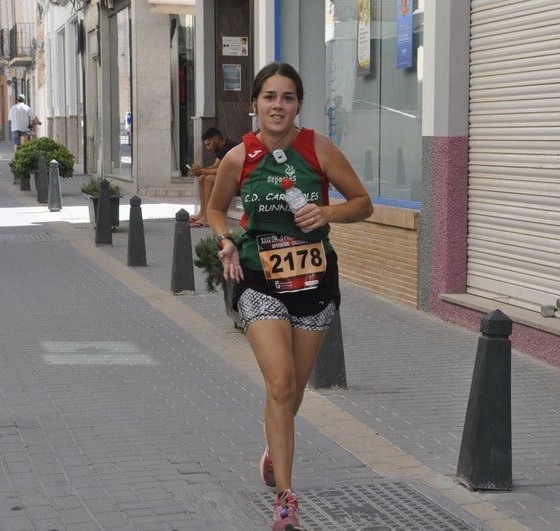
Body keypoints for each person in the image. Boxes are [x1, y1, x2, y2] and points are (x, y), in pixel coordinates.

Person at [207, 62, 373, 531]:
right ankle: (286, 500)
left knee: (295, 389)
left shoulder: (318, 148)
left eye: (288, 97)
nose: (278, 106)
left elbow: (363, 203)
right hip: (258, 276)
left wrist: (326, 213)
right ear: (254, 103)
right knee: (280, 384)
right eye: (270, 97)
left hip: (313, 281)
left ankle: (273, 447)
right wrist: (225, 241)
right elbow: (216, 209)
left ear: (298, 104)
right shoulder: (239, 156)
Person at [188, 127, 239, 228]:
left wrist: (202, 171)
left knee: (209, 179)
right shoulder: (221, 147)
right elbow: (215, 166)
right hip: (230, 178)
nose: (208, 148)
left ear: (215, 139)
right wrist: (200, 170)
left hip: (238, 181)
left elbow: (223, 170)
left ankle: (207, 217)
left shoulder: (230, 147)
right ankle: (202, 213)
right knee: (202, 177)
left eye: (209, 144)